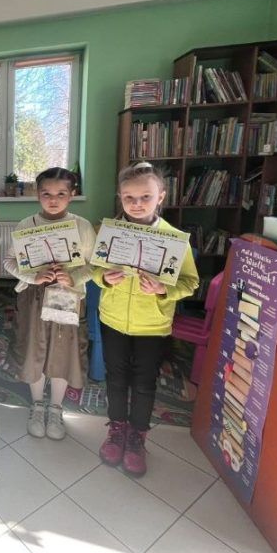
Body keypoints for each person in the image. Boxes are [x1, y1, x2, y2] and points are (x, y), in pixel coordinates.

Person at [94, 162, 198, 476]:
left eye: (145, 197)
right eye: (129, 197)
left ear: (160, 197)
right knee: (115, 378)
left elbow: (190, 282)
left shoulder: (175, 239)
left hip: (152, 325)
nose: (136, 204)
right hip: (113, 319)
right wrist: (104, 278)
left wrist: (163, 289)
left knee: (143, 383)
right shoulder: (110, 232)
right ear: (120, 197)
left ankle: (137, 436)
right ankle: (117, 429)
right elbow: (95, 270)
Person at [2, 168, 95, 441]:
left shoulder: (82, 226)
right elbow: (9, 261)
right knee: (34, 349)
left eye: (61, 194)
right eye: (46, 194)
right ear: (37, 194)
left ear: (72, 195)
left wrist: (74, 277)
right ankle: (37, 405)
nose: (53, 200)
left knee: (63, 351)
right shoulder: (26, 225)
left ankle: (55, 407)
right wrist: (33, 276)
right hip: (34, 298)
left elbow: (94, 264)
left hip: (68, 297)